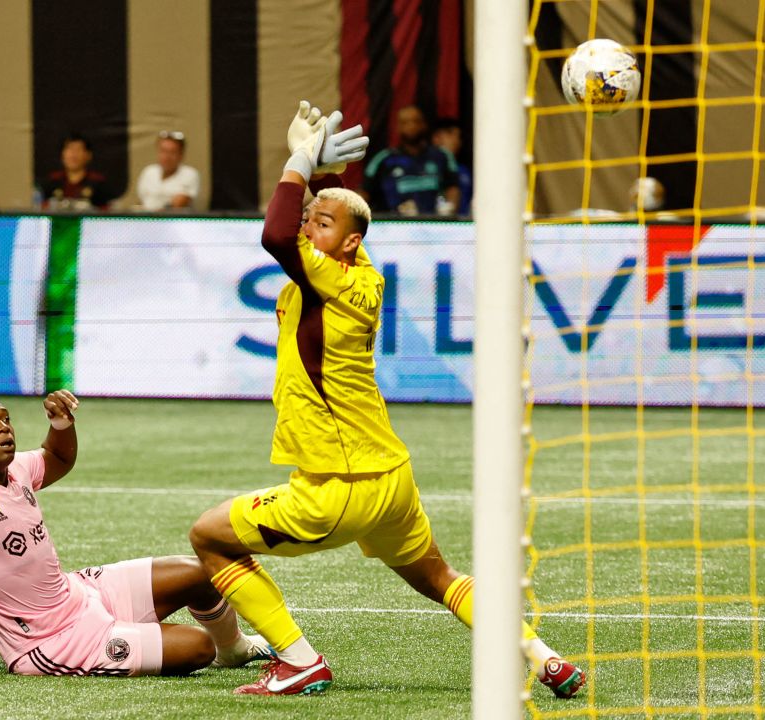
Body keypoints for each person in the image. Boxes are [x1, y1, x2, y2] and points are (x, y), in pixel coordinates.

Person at [187, 104, 586, 698]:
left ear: (344, 245)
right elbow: (338, 219)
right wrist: (326, 176)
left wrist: (297, 164)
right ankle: (544, 657)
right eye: (309, 218)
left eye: (317, 223)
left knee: (208, 536)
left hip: (336, 487)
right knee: (440, 578)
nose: (305, 226)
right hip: (390, 479)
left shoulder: (329, 275)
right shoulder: (360, 267)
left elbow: (273, 233)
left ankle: (297, 659)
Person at [0, 391, 274, 679]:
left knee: (198, 573)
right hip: (51, 642)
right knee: (197, 647)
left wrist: (61, 425)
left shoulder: (17, 470)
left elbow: (57, 458)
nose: (3, 428)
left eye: (6, 419)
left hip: (80, 594)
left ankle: (235, 650)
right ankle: (138, 639)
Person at [364, 105, 460, 216]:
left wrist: (449, 210)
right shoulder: (384, 159)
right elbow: (364, 191)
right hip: (393, 227)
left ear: (424, 124)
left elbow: (453, 188)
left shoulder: (442, 156)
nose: (411, 126)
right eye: (405, 122)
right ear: (398, 127)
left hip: (435, 226)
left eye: (415, 121)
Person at [37, 133, 119, 211]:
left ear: (88, 155)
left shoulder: (99, 183)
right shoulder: (51, 181)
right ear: (62, 154)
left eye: (78, 149)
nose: (73, 154)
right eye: (70, 149)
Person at [135, 131, 200, 211]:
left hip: (176, 221)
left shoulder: (190, 174)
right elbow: (142, 201)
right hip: (147, 221)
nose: (167, 157)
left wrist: (156, 213)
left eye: (172, 152)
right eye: (163, 151)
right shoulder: (148, 172)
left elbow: (179, 203)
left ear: (181, 155)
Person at [432, 118, 472, 217]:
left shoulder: (464, 171)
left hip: (463, 225)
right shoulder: (428, 169)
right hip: (434, 225)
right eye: (451, 135)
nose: (457, 141)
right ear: (436, 138)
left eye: (458, 137)